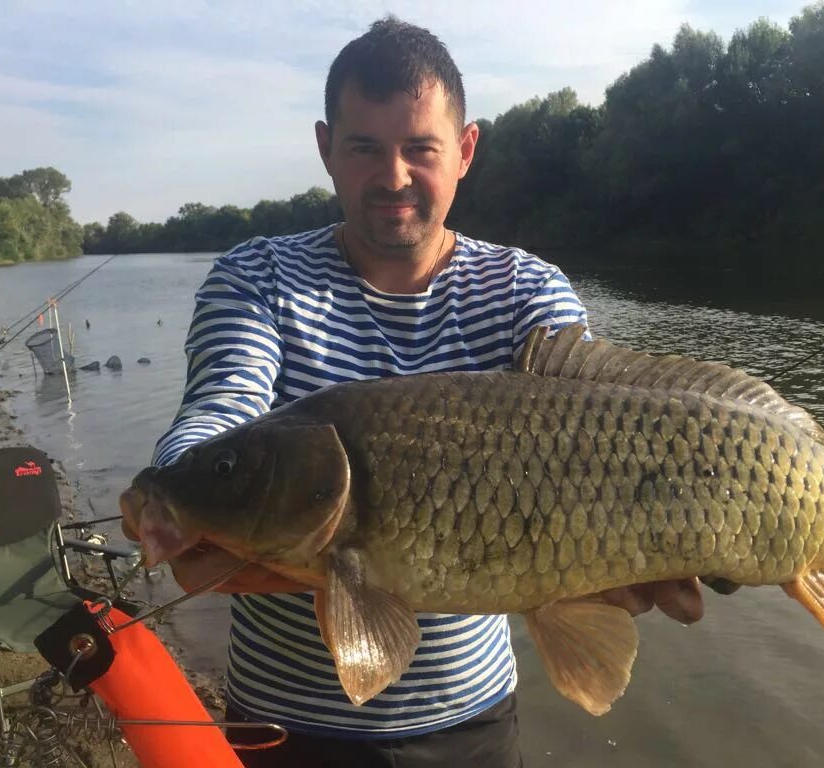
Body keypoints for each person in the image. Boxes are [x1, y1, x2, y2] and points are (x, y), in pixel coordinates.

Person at [122, 17, 703, 768]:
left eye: (419, 149)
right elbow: (223, 402)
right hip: (282, 725)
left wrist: (648, 548)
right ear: (327, 148)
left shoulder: (526, 290)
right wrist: (190, 481)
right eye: (365, 148)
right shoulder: (257, 277)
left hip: (470, 723)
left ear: (464, 152)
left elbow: (595, 432)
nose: (392, 176)